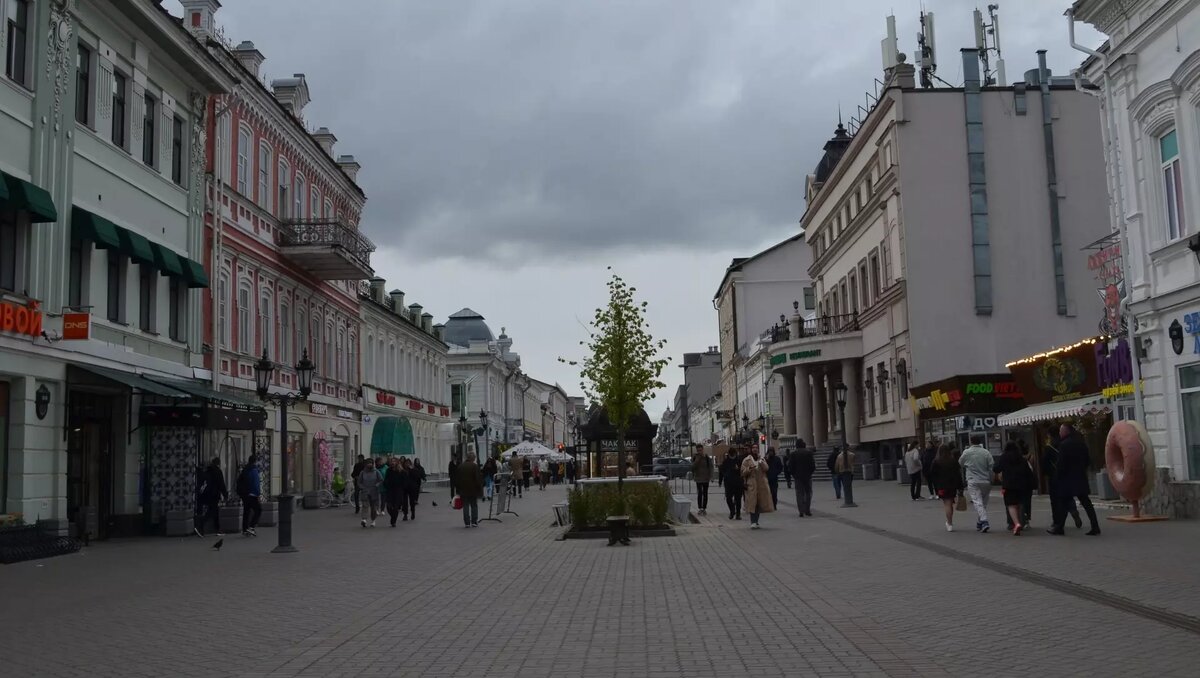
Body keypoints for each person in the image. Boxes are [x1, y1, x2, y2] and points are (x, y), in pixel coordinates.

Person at [1049, 423, 1101, 536]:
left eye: (1061, 431)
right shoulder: (1081, 443)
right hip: (1080, 477)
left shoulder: (1063, 445)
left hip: (1067, 479)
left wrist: (1057, 477)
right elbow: (1087, 460)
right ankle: (1095, 526)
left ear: (1066, 432)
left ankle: (1059, 527)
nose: (1059, 433)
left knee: (1063, 503)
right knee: (1086, 503)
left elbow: (1061, 464)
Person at [1042, 430, 1083, 534]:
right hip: (1067, 475)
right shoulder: (1065, 444)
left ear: (1050, 436)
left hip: (1054, 476)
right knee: (1067, 495)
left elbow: (1045, 463)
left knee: (1055, 501)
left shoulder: (1049, 448)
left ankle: (1057, 523)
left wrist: (1046, 474)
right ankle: (1072, 509)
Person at [995, 442, 1035, 536]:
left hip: (1009, 485)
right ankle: (1023, 521)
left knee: (1011, 505)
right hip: (1022, 485)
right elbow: (1028, 472)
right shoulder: (1021, 458)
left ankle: (1016, 523)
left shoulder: (1004, 457)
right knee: (1020, 503)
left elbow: (996, 469)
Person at [959, 433, 994, 533]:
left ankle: (984, 521)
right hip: (985, 480)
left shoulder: (967, 452)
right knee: (983, 502)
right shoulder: (986, 452)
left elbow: (960, 462)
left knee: (977, 502)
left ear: (971, 441)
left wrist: (967, 465)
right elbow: (991, 466)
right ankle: (980, 523)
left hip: (972, 479)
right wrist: (991, 479)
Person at [930, 443, 964, 532]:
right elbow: (958, 474)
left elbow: (932, 474)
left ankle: (949, 523)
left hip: (942, 486)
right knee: (950, 503)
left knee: (947, 504)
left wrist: (936, 485)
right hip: (952, 485)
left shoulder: (936, 461)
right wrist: (960, 486)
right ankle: (950, 522)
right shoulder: (953, 461)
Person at [741, 447, 774, 529]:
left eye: (756, 448)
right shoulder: (747, 460)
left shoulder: (761, 459)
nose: (755, 449)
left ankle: (756, 521)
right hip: (751, 484)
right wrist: (749, 469)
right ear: (751, 449)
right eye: (753, 448)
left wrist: (761, 461)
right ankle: (753, 521)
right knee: (753, 504)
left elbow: (766, 468)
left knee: (759, 503)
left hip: (761, 485)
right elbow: (742, 472)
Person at [196, 457, 228, 537]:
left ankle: (217, 529)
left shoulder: (207, 471)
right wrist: (225, 495)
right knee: (211, 512)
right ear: (218, 463)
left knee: (215, 511)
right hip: (214, 495)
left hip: (206, 494)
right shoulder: (218, 472)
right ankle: (200, 525)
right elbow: (221, 484)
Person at [455, 452, 484, 527]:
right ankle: (474, 522)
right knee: (474, 505)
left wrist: (458, 490)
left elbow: (457, 479)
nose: (474, 459)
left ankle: (467, 523)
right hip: (473, 490)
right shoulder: (474, 466)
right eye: (474, 458)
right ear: (472, 458)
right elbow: (477, 479)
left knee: (465, 506)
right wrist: (480, 488)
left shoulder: (460, 466)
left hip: (463, 490)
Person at [236, 455, 262, 537]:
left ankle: (244, 529)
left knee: (246, 511)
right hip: (252, 494)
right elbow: (255, 483)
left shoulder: (245, 469)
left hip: (244, 494)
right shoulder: (254, 470)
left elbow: (239, 481)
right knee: (258, 510)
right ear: (255, 461)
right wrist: (258, 494)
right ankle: (251, 527)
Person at [789, 445, 816, 517]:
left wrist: (794, 475)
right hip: (807, 476)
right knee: (808, 493)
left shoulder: (793, 454)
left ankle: (801, 510)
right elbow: (813, 465)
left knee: (799, 493)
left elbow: (790, 466)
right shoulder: (809, 453)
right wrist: (810, 473)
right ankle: (807, 509)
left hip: (798, 477)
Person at [357, 458, 382, 528]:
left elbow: (381, 480)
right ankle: (364, 519)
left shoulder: (376, 471)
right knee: (365, 505)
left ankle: (373, 520)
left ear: (373, 464)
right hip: (365, 491)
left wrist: (377, 485)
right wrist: (362, 487)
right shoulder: (362, 472)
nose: (369, 464)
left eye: (370, 463)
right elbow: (359, 482)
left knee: (374, 507)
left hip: (374, 491)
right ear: (365, 464)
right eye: (368, 463)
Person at [383, 458, 407, 527]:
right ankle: (393, 516)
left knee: (396, 507)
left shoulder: (401, 471)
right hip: (390, 490)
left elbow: (405, 481)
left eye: (394, 461)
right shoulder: (389, 470)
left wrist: (402, 487)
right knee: (389, 506)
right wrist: (386, 484)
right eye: (391, 461)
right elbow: (386, 479)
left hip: (398, 491)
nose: (392, 463)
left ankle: (393, 521)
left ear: (397, 462)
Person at [721, 450, 744, 520]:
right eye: (731, 455)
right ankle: (732, 510)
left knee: (738, 499)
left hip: (738, 483)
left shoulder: (739, 461)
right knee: (728, 498)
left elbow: (743, 470)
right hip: (729, 483)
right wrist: (725, 476)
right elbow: (722, 471)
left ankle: (738, 514)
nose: (732, 457)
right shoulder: (726, 461)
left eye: (733, 455)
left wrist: (738, 469)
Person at [691, 445, 713, 515]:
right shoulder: (695, 457)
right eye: (698, 450)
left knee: (705, 493)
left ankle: (704, 508)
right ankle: (700, 508)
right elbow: (692, 467)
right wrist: (697, 459)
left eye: (700, 450)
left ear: (703, 449)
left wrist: (711, 476)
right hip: (698, 478)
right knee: (700, 493)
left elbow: (711, 467)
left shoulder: (707, 457)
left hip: (706, 478)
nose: (699, 452)